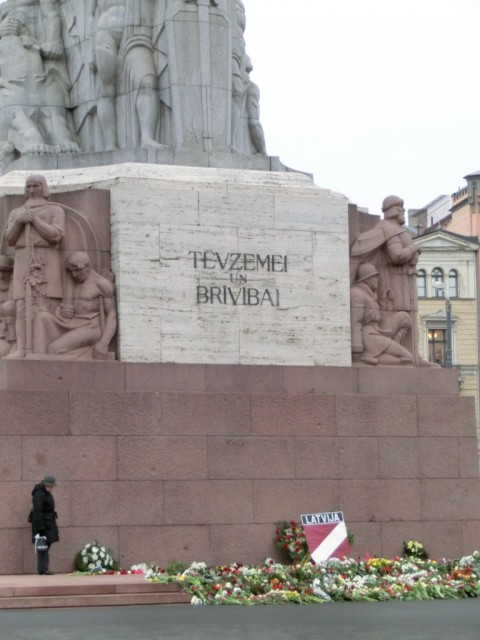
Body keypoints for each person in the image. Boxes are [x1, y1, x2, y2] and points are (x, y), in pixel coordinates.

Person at [350, 195, 423, 364]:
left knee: (411, 317)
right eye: (400, 207)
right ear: (392, 210)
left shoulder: (394, 228)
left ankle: (413, 356)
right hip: (396, 281)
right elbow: (396, 255)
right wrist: (414, 247)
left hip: (405, 279)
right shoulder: (389, 229)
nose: (403, 210)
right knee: (405, 316)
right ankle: (397, 355)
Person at [4, 175, 65, 358]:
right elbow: (10, 239)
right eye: (29, 186)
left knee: (46, 306)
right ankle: (22, 347)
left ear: (43, 187)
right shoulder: (16, 212)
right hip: (23, 257)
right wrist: (19, 221)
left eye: (36, 186)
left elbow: (56, 235)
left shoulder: (55, 210)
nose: (32, 189)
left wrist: (36, 221)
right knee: (21, 304)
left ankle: (42, 348)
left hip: (47, 257)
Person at [89, 0, 164, 150]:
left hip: (137, 31)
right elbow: (92, 14)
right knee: (107, 91)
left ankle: (147, 137)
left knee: (147, 81)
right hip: (105, 32)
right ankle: (110, 144)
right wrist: (91, 47)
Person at [33, 251, 117, 359]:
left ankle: (78, 357)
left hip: (91, 326)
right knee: (41, 317)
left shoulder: (101, 284)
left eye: (77, 270)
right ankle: (37, 356)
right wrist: (61, 311)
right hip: (71, 322)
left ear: (87, 266)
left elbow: (112, 314)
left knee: (53, 349)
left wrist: (104, 342)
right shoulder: (73, 282)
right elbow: (64, 306)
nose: (74, 275)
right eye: (71, 271)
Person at [350, 263, 413, 365]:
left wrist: (384, 301)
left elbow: (377, 317)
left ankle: (390, 348)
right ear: (367, 279)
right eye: (375, 277)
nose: (377, 280)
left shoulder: (368, 294)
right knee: (407, 358)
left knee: (405, 318)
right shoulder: (357, 294)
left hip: (378, 331)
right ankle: (370, 358)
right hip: (369, 336)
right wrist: (356, 349)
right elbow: (355, 322)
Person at [30, 475, 58, 575]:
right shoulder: (39, 494)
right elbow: (38, 512)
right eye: (50, 486)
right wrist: (40, 528)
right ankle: (43, 568)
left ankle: (43, 568)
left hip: (48, 523)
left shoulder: (45, 493)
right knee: (43, 546)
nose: (51, 488)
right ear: (45, 484)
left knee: (46, 545)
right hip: (43, 524)